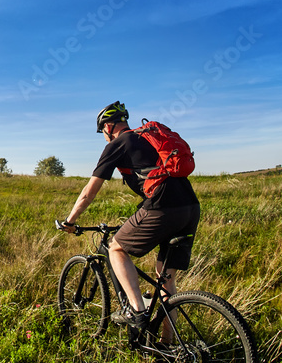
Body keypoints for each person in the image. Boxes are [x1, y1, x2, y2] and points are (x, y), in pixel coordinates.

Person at [60, 101, 201, 331]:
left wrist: (70, 220)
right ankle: (166, 346)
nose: (103, 137)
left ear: (108, 126)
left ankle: (136, 310)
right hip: (190, 206)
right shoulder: (147, 137)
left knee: (116, 248)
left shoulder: (119, 142)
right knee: (166, 282)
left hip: (162, 206)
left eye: (102, 132)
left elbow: (89, 192)